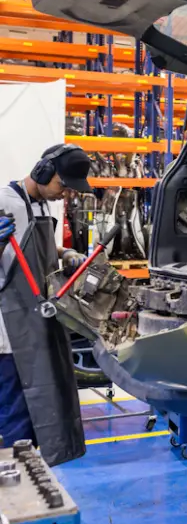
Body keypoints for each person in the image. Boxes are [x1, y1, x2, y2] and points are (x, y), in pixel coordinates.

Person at [0, 144, 93, 448]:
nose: (65, 194)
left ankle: (32, 465)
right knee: (16, 413)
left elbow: (37, 249)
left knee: (41, 410)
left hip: (40, 321)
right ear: (43, 171)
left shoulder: (42, 205)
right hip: (11, 330)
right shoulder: (4, 202)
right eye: (62, 186)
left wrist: (66, 253)